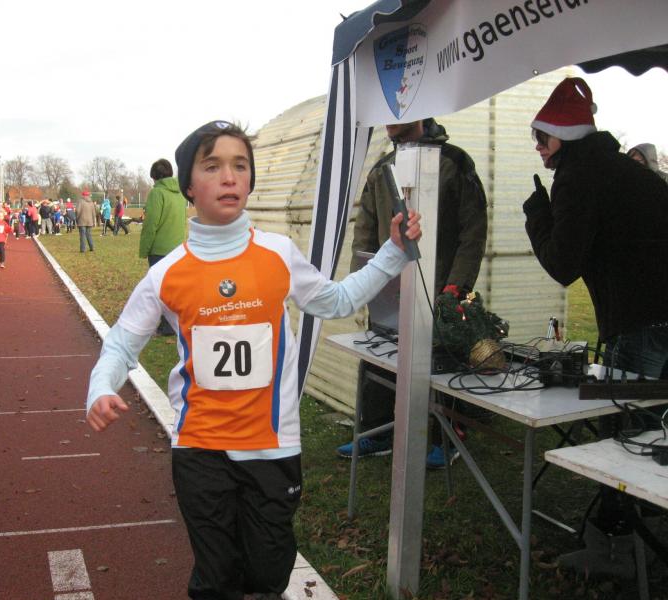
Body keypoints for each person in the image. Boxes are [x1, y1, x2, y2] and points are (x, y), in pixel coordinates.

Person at [85, 121, 420, 600]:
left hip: (272, 448)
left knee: (267, 575)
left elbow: (339, 300)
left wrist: (393, 252)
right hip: (200, 450)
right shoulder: (166, 274)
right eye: (212, 166)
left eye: (240, 166)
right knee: (216, 579)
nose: (229, 177)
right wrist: (100, 388)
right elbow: (120, 345)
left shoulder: (278, 254)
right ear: (188, 186)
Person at [524, 78, 668, 566]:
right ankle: (644, 535)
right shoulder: (624, 168)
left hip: (640, 323)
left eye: (541, 137)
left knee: (628, 432)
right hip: (657, 318)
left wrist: (537, 214)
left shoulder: (578, 176)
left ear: (563, 136)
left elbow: (562, 264)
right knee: (655, 429)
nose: (538, 147)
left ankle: (618, 546)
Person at [336, 118, 488, 468]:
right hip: (391, 285)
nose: (390, 119)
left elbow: (473, 229)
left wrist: (456, 286)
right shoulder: (382, 169)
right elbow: (365, 229)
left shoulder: (454, 163)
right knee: (379, 354)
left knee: (440, 361)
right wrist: (363, 283)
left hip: (440, 285)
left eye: (400, 111)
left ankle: (446, 437)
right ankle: (378, 432)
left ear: (420, 113)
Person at [139, 158, 186, 335]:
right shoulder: (180, 194)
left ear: (155, 176)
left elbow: (151, 224)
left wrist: (144, 249)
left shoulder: (157, 193)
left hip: (160, 249)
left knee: (159, 289)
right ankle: (173, 323)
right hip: (177, 247)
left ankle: (166, 326)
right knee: (173, 288)